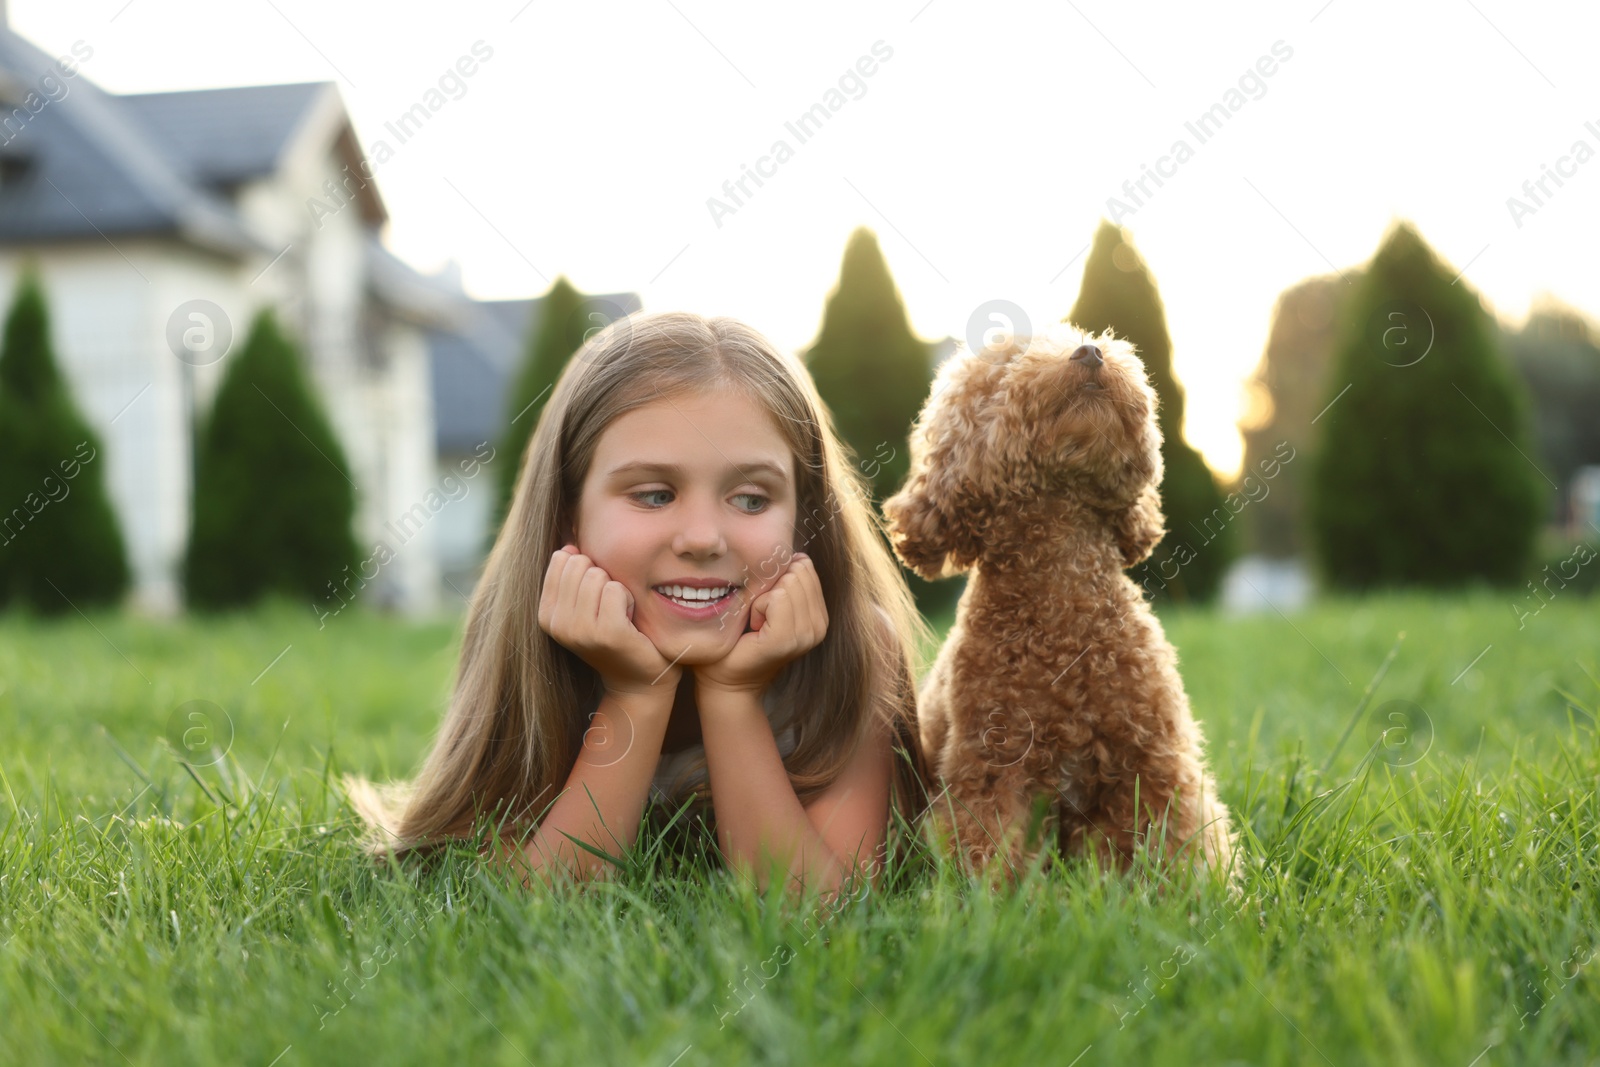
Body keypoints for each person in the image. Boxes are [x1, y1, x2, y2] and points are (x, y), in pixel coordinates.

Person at [343, 311, 931, 897]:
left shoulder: (852, 643)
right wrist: (636, 694)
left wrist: (732, 699)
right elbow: (531, 914)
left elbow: (827, 909)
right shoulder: (525, 636)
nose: (702, 538)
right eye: (654, 495)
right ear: (568, 513)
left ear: (803, 519)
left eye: (751, 499)